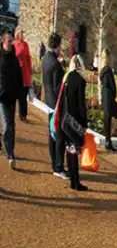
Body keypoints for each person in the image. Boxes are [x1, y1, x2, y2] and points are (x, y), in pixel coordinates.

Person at [56, 53, 90, 191]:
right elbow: (81, 104)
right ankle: (76, 182)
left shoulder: (68, 77)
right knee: (75, 149)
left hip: (65, 119)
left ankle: (73, 180)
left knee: (70, 150)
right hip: (74, 119)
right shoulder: (80, 81)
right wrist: (84, 123)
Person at [42, 33, 65, 177]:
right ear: (58, 45)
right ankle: (58, 167)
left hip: (48, 100)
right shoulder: (56, 64)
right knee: (58, 135)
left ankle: (54, 164)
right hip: (56, 103)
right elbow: (58, 88)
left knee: (52, 134)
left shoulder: (45, 58)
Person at [1, 32, 23, 167]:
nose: (11, 43)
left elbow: (18, 76)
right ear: (3, 42)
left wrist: (20, 92)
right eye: (9, 41)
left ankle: (10, 152)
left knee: (10, 125)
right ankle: (9, 152)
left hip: (11, 96)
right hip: (1, 94)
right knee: (6, 124)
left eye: (12, 41)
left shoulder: (14, 58)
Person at [99, 56, 117, 152]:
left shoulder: (104, 70)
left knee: (108, 118)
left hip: (106, 95)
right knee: (108, 118)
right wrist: (114, 92)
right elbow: (109, 83)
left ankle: (108, 140)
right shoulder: (107, 70)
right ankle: (108, 141)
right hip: (108, 95)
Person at [14, 31, 32, 122]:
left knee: (24, 95)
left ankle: (23, 115)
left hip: (25, 72)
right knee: (16, 94)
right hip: (16, 72)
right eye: (21, 34)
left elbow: (28, 58)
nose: (23, 35)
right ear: (17, 35)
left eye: (23, 34)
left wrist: (30, 72)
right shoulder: (14, 45)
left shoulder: (25, 45)